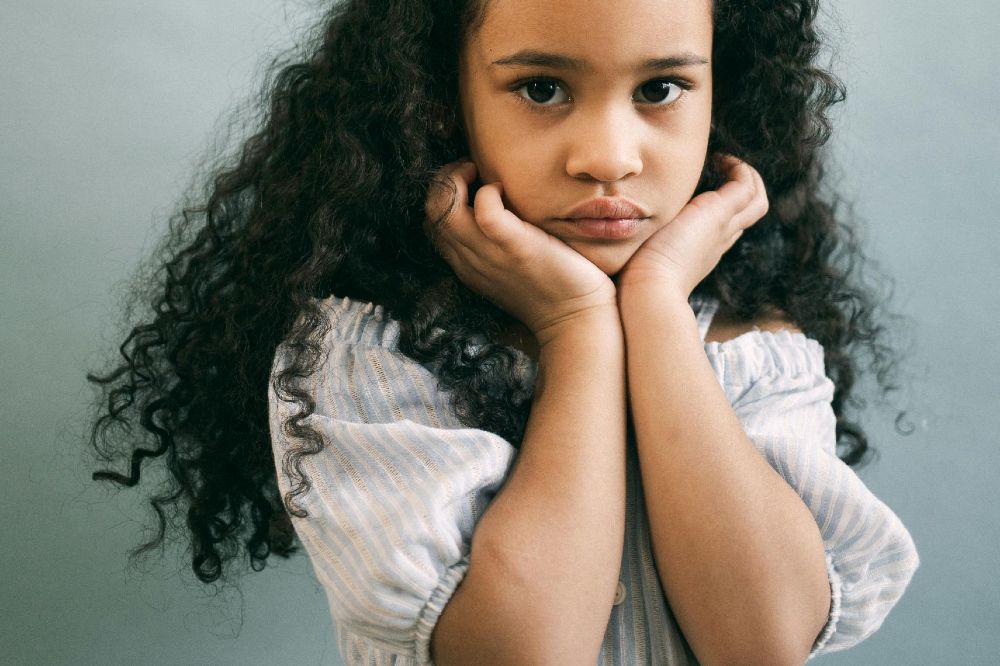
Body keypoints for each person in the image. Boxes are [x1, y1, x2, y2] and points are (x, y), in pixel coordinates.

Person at [87, 0, 920, 663]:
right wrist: (577, 330)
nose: (608, 157)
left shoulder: (752, 347)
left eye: (661, 89)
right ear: (442, 102)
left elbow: (762, 642)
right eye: (543, 88)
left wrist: (657, 306)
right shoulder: (368, 361)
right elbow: (526, 653)